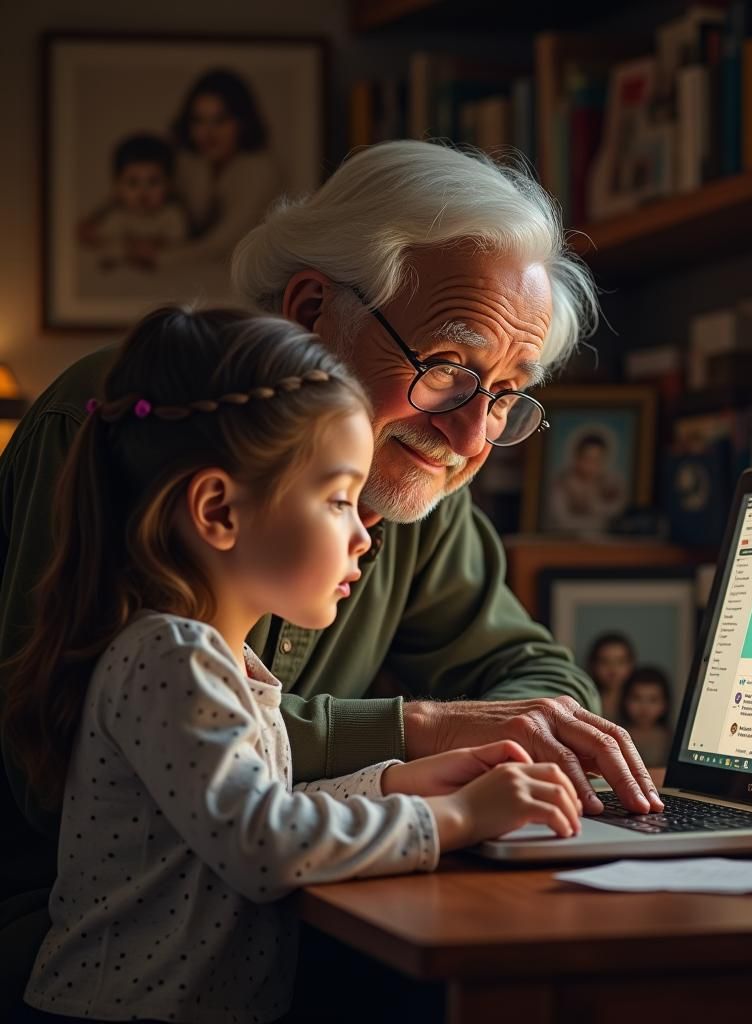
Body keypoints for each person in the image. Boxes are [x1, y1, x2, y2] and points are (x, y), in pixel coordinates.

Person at [0, 139, 661, 1008]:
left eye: (505, 394)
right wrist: (420, 739)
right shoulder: (136, 431)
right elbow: (63, 763)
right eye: (448, 368)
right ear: (313, 309)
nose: (471, 439)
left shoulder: (418, 483)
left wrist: (501, 745)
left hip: (255, 937)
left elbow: (533, 677)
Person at [4, 307, 581, 1024]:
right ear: (219, 511)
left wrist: (396, 780)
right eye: (339, 499)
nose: (364, 534)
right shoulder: (169, 661)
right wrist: (456, 816)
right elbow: (264, 844)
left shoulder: (224, 661)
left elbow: (261, 805)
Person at [125, 69, 281, 271]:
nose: (208, 132)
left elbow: (222, 245)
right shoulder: (191, 163)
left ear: (242, 122)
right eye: (199, 121)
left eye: (220, 120)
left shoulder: (261, 171)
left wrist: (158, 256)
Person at [79, 134, 187, 270]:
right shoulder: (118, 217)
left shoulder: (172, 215)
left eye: (153, 182)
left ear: (169, 185)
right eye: (132, 183)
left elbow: (179, 247)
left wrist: (157, 247)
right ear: (117, 187)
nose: (143, 192)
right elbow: (104, 246)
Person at [546, 431, 628, 533]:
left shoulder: (612, 484)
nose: (592, 465)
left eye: (598, 460)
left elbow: (617, 513)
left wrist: (595, 502)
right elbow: (560, 519)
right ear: (577, 458)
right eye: (588, 459)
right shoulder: (563, 483)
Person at [619, 667, 673, 768]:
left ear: (665, 704)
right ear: (625, 701)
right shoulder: (616, 737)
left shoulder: (672, 739)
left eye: (653, 700)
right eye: (636, 698)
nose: (644, 707)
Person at [585, 632, 636, 722]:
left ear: (631, 664)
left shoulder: (639, 704)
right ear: (593, 665)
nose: (613, 670)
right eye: (604, 662)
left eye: (620, 662)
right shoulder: (583, 701)